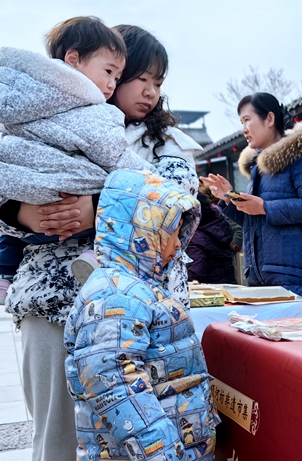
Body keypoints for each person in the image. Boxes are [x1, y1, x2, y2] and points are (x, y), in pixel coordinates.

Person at [0, 17, 135, 461]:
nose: (118, 83)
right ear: (72, 61)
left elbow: (156, 190)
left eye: (123, 74)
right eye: (109, 70)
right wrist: (22, 210)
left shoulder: (108, 121)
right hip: (46, 297)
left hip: (114, 298)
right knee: (54, 437)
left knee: (123, 432)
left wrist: (97, 206)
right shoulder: (16, 121)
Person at [65, 168, 217, 461]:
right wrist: (159, 453)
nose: (176, 248)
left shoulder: (138, 286)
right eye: (169, 235)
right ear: (139, 231)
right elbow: (111, 380)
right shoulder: (117, 293)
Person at [0, 17, 152, 306]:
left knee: (10, 234)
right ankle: (97, 255)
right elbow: (115, 156)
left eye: (118, 78)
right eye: (109, 72)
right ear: (73, 59)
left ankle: (3, 274)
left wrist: (21, 210)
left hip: (28, 232)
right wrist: (149, 175)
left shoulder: (20, 101)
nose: (111, 84)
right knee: (123, 204)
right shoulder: (92, 110)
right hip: (65, 245)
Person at [103, 24, 204, 307]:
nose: (151, 92)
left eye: (158, 83)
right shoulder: (65, 120)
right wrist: (22, 213)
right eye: (142, 79)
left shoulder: (170, 140)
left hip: (152, 296)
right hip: (64, 296)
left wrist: (89, 211)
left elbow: (176, 199)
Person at [202, 93, 302, 314]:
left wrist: (265, 207)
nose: (244, 128)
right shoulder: (258, 166)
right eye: (242, 122)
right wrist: (229, 198)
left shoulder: (301, 157)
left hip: (295, 277)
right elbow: (254, 219)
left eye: (247, 119)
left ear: (269, 119)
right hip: (262, 277)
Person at [186, 191, 236, 284]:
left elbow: (195, 274)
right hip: (226, 286)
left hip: (208, 292)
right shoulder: (216, 225)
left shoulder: (194, 238)